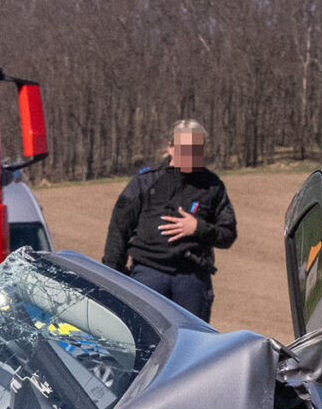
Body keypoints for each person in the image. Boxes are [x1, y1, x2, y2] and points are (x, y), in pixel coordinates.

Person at [101, 118, 236, 322]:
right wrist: (114, 276)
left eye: (196, 149)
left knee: (193, 345)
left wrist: (198, 228)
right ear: (171, 147)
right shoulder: (145, 181)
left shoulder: (213, 186)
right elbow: (119, 229)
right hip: (148, 276)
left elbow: (228, 234)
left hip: (192, 279)